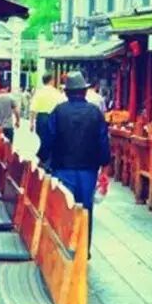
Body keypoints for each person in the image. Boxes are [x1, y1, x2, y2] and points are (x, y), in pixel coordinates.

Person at [38, 71, 110, 257]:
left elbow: (48, 138)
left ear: (67, 93)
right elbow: (103, 140)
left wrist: (42, 158)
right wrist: (105, 164)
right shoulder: (95, 113)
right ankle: (83, 250)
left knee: (65, 207)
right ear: (84, 92)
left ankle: (64, 248)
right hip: (88, 170)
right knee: (86, 209)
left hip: (62, 168)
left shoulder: (58, 111)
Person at [29, 73, 64, 159]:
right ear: (51, 80)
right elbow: (61, 107)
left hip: (41, 118)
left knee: (40, 140)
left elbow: (33, 108)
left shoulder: (39, 92)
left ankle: (41, 159)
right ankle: (49, 160)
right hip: (53, 118)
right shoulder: (56, 92)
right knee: (52, 140)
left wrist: (31, 123)